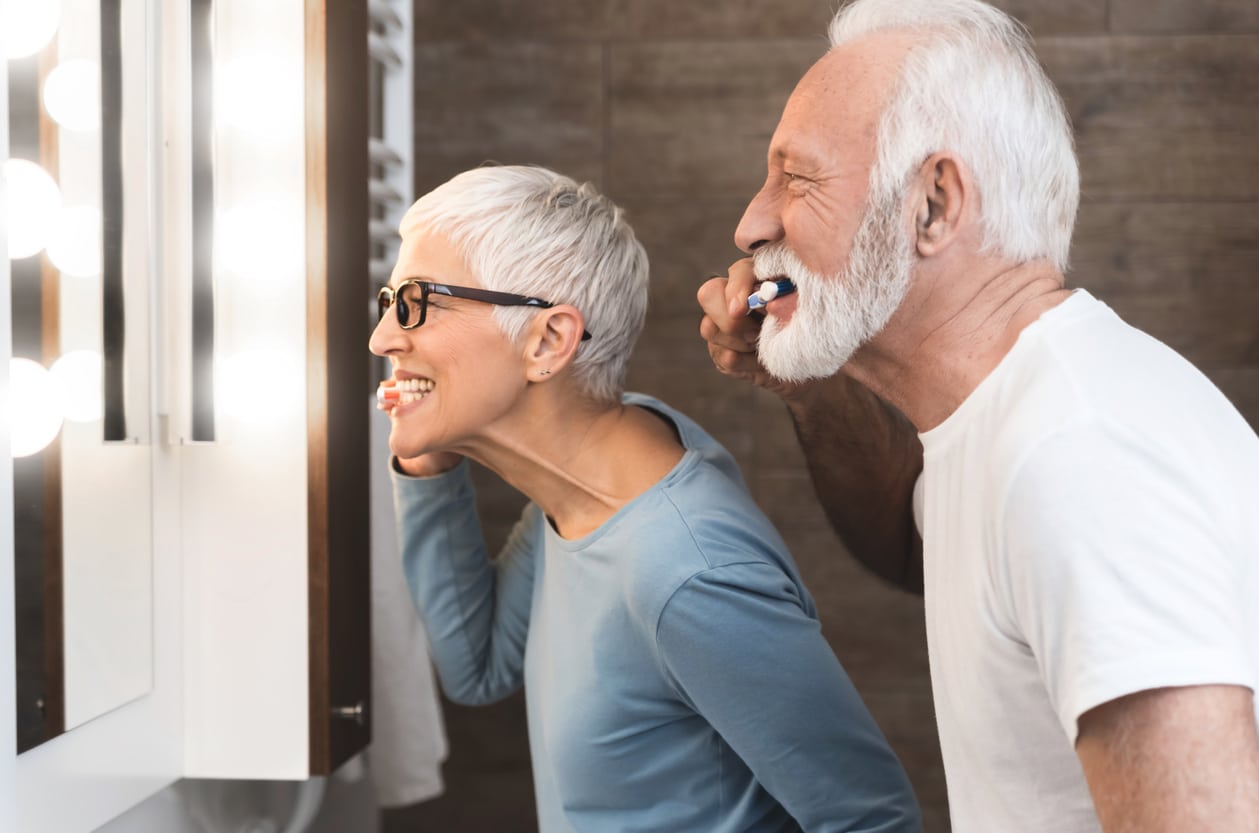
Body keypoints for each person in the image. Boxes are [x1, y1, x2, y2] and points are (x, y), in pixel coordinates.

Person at [696, 1, 1259, 831]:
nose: (752, 222)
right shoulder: (999, 422)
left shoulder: (1078, 457)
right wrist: (806, 379)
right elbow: (916, 547)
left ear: (932, 204)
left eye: (798, 177)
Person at [369, 164, 922, 833]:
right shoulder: (593, 476)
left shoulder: (688, 570)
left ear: (546, 340)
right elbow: (480, 666)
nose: (382, 338)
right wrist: (427, 459)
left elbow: (872, 819)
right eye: (388, 302)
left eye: (417, 303)